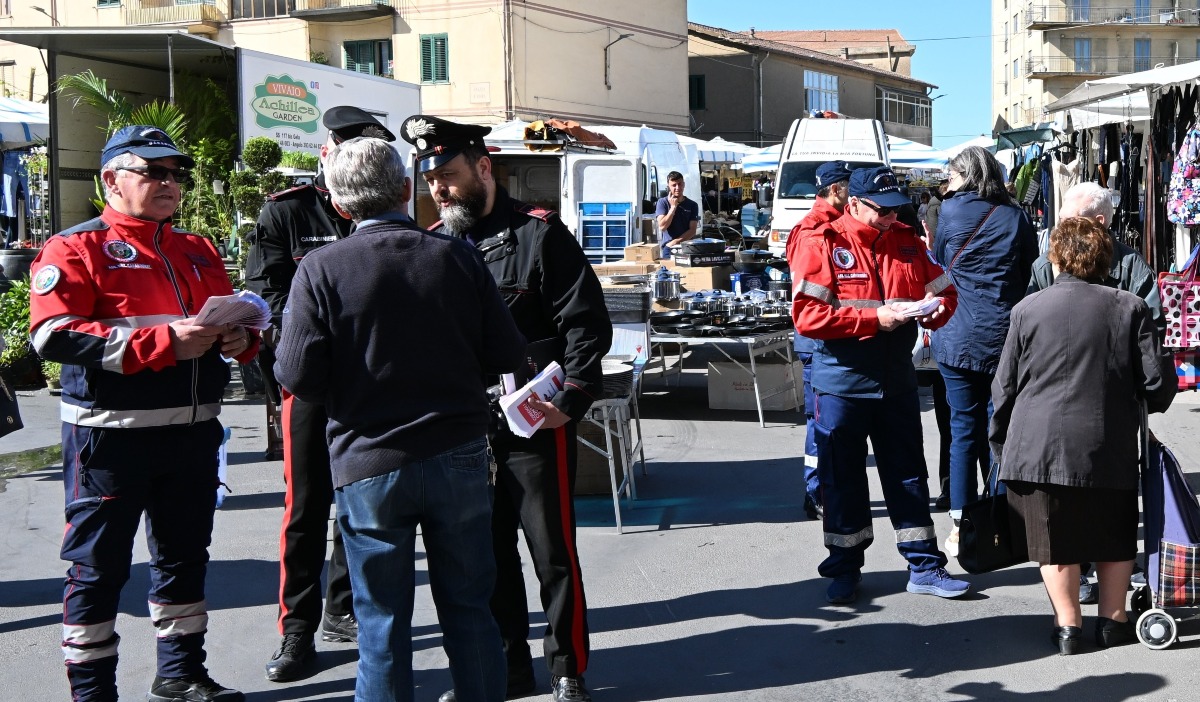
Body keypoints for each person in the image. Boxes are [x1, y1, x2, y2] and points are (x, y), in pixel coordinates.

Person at [273, 136, 525, 702]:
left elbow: (296, 377)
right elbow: (508, 354)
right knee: (469, 608)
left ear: (340, 204)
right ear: (407, 190)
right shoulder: (456, 255)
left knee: (381, 621)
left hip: (368, 456)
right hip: (458, 452)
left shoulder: (321, 267)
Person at [29, 126, 259, 702]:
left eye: (175, 173)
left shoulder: (198, 248)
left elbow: (236, 321)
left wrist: (240, 339)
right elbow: (52, 336)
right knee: (97, 570)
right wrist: (161, 345)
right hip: (109, 440)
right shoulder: (72, 247)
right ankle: (92, 692)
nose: (169, 183)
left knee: (184, 559)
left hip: (193, 434)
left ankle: (180, 673)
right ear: (111, 179)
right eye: (153, 172)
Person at [402, 115, 612, 702]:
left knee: (552, 553)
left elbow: (586, 326)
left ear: (483, 167)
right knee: (485, 557)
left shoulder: (539, 234)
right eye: (432, 179)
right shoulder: (436, 246)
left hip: (536, 423)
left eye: (448, 175)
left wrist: (571, 400)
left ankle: (568, 668)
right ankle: (507, 668)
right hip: (466, 430)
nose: (439, 189)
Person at [245, 106, 395, 681]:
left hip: (372, 383)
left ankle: (342, 608)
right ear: (327, 151)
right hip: (310, 381)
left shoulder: (384, 210)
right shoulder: (286, 211)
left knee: (361, 502)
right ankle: (297, 630)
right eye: (348, 147)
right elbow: (267, 296)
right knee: (306, 509)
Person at [991, 216, 1176, 655]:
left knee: (1053, 539)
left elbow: (1004, 387)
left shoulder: (1026, 310)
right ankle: (1113, 622)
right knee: (1114, 532)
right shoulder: (1129, 307)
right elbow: (1158, 388)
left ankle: (1068, 627)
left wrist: (999, 443)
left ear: (1055, 258)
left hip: (1035, 447)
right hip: (1104, 443)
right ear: (1107, 259)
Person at [791, 165, 969, 605]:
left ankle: (925, 566)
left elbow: (946, 291)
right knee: (842, 480)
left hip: (896, 383)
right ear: (852, 202)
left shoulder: (907, 240)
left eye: (895, 210)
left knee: (908, 476)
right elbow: (808, 317)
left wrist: (933, 313)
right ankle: (844, 568)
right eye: (881, 212)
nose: (890, 219)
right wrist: (876, 318)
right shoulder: (823, 242)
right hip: (842, 383)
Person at [1027, 180, 1164, 605]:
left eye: (1069, 218)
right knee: (1072, 506)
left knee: (1104, 506)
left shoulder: (1131, 268)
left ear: (1100, 222)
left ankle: (1073, 621)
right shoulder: (1043, 266)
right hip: (1065, 405)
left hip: (1106, 404)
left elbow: (1152, 333)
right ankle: (1104, 611)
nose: (1059, 227)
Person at [931, 146, 1038, 557]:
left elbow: (941, 261)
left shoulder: (951, 213)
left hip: (956, 336)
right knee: (1003, 429)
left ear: (967, 174)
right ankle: (1001, 516)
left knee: (962, 430)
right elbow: (1029, 266)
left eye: (953, 175)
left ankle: (961, 521)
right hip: (1002, 336)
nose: (949, 182)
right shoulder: (1015, 216)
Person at [784, 160, 852, 520]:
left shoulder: (821, 225)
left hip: (820, 337)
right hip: (817, 339)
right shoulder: (815, 229)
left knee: (822, 421)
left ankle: (821, 489)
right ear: (837, 189)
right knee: (819, 421)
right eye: (849, 186)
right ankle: (816, 492)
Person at [655, 170, 700, 258]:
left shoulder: (692, 205)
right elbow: (662, 226)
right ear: (668, 186)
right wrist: (672, 208)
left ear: (684, 184)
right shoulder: (662, 202)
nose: (677, 188)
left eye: (679, 184)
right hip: (669, 249)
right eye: (674, 185)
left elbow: (692, 230)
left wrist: (675, 242)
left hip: (687, 248)